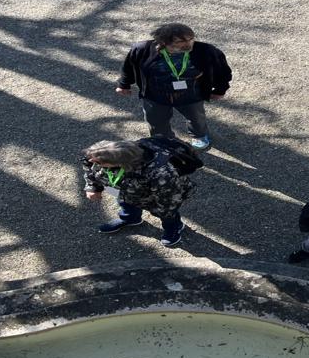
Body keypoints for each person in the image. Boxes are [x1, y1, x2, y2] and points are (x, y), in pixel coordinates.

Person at [116, 23, 232, 151]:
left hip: (192, 93)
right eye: (180, 42)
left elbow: (222, 71)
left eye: (191, 39)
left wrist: (221, 90)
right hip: (155, 95)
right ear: (163, 42)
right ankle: (163, 140)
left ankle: (199, 136)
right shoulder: (142, 49)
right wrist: (124, 84)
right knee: (156, 121)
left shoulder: (207, 51)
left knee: (196, 117)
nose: (188, 44)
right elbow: (128, 67)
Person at [83, 139, 193, 247]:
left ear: (120, 163)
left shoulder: (160, 172)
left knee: (167, 215)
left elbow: (169, 198)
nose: (92, 162)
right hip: (127, 192)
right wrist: (93, 187)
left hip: (154, 196)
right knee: (125, 203)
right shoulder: (98, 156)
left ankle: (174, 227)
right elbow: (89, 166)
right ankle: (131, 218)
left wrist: (162, 211)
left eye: (98, 163)